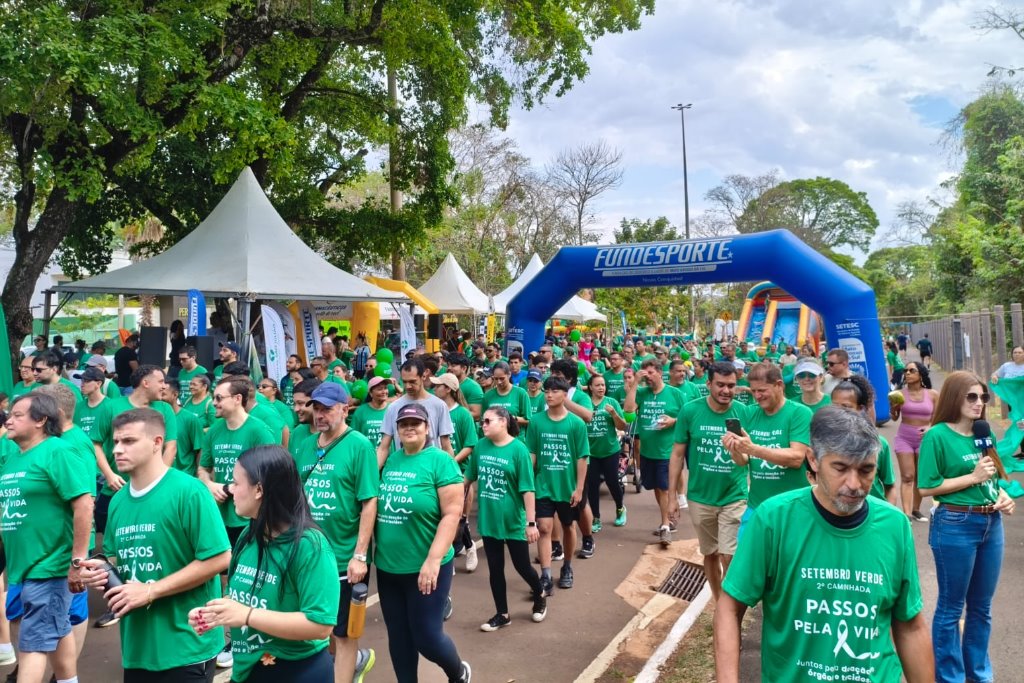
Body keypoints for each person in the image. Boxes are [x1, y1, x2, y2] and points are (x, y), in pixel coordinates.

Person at [715, 406, 934, 683]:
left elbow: (910, 625)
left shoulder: (895, 526)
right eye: (840, 468)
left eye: (866, 470)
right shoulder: (774, 519)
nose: (854, 484)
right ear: (814, 460)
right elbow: (730, 607)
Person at [81, 408, 231, 682]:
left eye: (128, 441)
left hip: (186, 644)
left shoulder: (190, 491)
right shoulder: (117, 501)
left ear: (157, 443)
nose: (117, 450)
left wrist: (151, 591)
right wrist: (101, 569)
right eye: (115, 442)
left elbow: (220, 558)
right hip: (137, 646)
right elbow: (118, 560)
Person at [189, 446, 340, 682]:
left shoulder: (311, 546)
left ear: (259, 489)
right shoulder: (249, 534)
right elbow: (239, 599)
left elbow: (320, 625)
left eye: (236, 483)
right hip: (248, 668)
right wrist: (216, 613)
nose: (230, 490)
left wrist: (247, 615)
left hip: (297, 670)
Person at [918, 371, 1016, 683]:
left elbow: (991, 478)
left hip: (991, 523)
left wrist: (1002, 497)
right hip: (955, 523)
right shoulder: (937, 436)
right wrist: (972, 478)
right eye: (971, 396)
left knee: (981, 608)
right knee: (951, 609)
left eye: (983, 397)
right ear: (953, 397)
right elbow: (926, 487)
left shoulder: (983, 431)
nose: (979, 403)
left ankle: (979, 675)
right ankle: (950, 677)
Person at [0, 392, 94, 683]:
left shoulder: (57, 451)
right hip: (21, 567)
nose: (9, 419)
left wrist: (77, 560)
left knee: (34, 644)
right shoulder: (15, 457)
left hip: (49, 565)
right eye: (9, 414)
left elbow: (84, 503)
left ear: (41, 420)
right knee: (57, 627)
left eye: (18, 415)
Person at [375, 403, 470, 683]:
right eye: (403, 424)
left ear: (427, 428)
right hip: (389, 566)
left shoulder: (441, 461)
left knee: (427, 638)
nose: (409, 428)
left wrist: (432, 560)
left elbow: (452, 514)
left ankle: (458, 673)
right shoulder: (390, 461)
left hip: (428, 566)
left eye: (415, 423)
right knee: (399, 637)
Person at [294, 383, 378, 683]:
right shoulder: (303, 444)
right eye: (316, 408)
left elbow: (369, 502)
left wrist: (360, 555)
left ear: (345, 409)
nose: (320, 414)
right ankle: (345, 666)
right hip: (305, 554)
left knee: (343, 634)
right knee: (316, 629)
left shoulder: (359, 446)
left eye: (328, 408)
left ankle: (348, 668)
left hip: (343, 558)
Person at [197, 376, 277, 668]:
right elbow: (202, 469)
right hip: (220, 518)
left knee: (248, 576)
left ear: (237, 400)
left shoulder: (259, 431)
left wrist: (232, 489)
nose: (214, 403)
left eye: (219, 398)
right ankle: (228, 633)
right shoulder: (215, 430)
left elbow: (272, 472)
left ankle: (246, 634)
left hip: (251, 519)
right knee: (222, 574)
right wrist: (210, 485)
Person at [669, 361, 748, 600]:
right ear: (709, 384)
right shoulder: (690, 411)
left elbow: (749, 455)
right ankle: (717, 599)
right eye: (720, 385)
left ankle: (728, 604)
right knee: (711, 554)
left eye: (731, 386)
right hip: (700, 497)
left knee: (729, 556)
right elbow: (677, 454)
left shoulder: (743, 412)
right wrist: (673, 497)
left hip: (734, 495)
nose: (726, 391)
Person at [465, 407, 547, 631]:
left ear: (503, 422)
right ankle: (502, 614)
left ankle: (540, 593)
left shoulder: (518, 450)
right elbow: (467, 479)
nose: (483, 424)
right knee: (495, 569)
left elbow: (528, 490)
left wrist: (531, 523)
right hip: (489, 520)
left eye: (488, 421)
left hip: (513, 521)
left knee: (522, 567)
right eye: (482, 421)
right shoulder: (481, 446)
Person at [722, 362, 812, 535]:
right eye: (753, 391)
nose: (757, 396)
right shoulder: (749, 413)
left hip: (793, 508)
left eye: (762, 390)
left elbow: (796, 457)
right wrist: (734, 449)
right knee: (747, 558)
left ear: (779, 385)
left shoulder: (799, 413)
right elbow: (743, 461)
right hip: (757, 506)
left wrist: (753, 448)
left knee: (787, 560)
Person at [528, 376, 590, 592]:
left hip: (568, 487)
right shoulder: (536, 421)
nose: (549, 394)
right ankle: (545, 574)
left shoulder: (576, 423)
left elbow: (582, 458)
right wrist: (526, 481)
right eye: (547, 391)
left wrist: (579, 488)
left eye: (555, 391)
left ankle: (567, 567)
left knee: (569, 527)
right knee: (544, 528)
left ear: (565, 395)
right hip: (543, 484)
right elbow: (532, 454)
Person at [623, 358, 685, 546]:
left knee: (664, 487)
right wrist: (634, 384)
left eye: (650, 373)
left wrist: (673, 421)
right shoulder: (642, 393)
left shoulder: (675, 394)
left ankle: (665, 526)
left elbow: (687, 418)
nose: (647, 377)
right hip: (648, 452)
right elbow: (628, 411)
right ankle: (669, 516)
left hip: (668, 451)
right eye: (644, 374)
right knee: (658, 488)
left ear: (659, 372)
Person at [376, 358, 455, 467]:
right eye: (404, 382)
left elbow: (446, 446)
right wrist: (371, 476)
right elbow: (383, 448)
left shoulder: (439, 405)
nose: (408, 386)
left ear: (423, 376)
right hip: (403, 470)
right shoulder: (393, 407)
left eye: (412, 382)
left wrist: (450, 475)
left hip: (431, 470)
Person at [831, 376, 897, 504]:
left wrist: (887, 517)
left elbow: (890, 487)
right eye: (835, 406)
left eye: (846, 407)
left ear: (860, 409)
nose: (839, 412)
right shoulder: (824, 444)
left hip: (874, 519)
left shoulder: (878, 444)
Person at [890, 361, 937, 522]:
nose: (907, 373)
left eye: (912, 370)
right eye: (905, 370)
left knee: (920, 476)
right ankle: (907, 514)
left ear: (921, 374)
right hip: (904, 438)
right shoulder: (899, 393)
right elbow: (895, 417)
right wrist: (894, 409)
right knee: (908, 476)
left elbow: (938, 418)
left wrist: (930, 428)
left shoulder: (932, 394)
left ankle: (916, 509)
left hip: (925, 439)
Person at [583, 374, 627, 531]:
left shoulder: (611, 402)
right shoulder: (585, 403)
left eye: (603, 385)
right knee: (592, 485)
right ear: (590, 387)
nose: (601, 388)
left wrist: (614, 414)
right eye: (598, 385)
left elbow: (623, 427)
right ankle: (596, 517)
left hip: (610, 450)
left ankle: (620, 508)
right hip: (591, 452)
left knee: (612, 482)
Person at [163, 381, 206, 476]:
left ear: (175, 395)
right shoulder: (153, 419)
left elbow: (199, 449)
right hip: (161, 476)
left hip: (185, 474)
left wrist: (199, 476)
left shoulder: (190, 419)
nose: (160, 398)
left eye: (163, 394)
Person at [480, 362, 531, 439]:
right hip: (493, 439)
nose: (499, 382)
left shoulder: (521, 393)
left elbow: (528, 420)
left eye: (502, 378)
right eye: (496, 379)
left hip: (515, 439)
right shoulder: (488, 396)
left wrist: (512, 418)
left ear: (509, 374)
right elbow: (483, 420)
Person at [348, 376, 391, 449]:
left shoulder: (392, 409)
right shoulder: (361, 411)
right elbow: (353, 437)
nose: (384, 392)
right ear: (371, 393)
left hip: (389, 458)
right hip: (367, 457)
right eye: (380, 389)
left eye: (385, 388)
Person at [287, 378, 321, 459]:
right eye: (294, 404)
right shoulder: (297, 432)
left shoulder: (334, 435)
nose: (296, 409)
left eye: (300, 403)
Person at [446, 354, 483, 421]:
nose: (449, 368)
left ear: (464, 368)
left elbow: (476, 414)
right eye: (448, 365)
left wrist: (450, 415)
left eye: (453, 365)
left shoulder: (473, 387)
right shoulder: (445, 384)